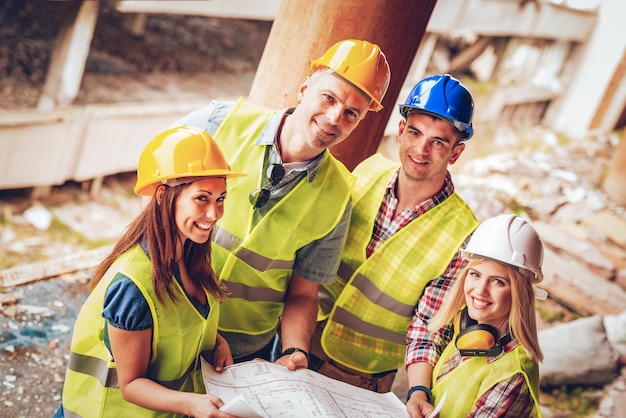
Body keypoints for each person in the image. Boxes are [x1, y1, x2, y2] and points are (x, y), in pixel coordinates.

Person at [170, 39, 391, 370]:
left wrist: (293, 351)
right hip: (168, 314)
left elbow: (303, 294)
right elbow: (153, 202)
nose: (334, 118)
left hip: (240, 351)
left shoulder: (337, 195)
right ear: (304, 89)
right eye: (328, 98)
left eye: (351, 114)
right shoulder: (220, 123)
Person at [56, 126, 245, 418]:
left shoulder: (194, 256)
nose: (215, 213)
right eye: (202, 198)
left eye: (220, 199)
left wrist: (216, 343)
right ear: (162, 196)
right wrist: (191, 404)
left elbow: (184, 325)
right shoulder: (133, 287)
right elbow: (130, 384)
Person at [309, 73, 479, 393]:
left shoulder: (464, 233)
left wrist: (418, 390)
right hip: (297, 342)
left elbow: (429, 327)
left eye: (438, 141)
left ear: (455, 153)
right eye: (415, 132)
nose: (421, 149)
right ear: (401, 131)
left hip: (361, 377)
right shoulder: (366, 172)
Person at [406, 214, 545, 417]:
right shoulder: (465, 325)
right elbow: (427, 337)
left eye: (498, 281)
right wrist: (419, 394)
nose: (480, 290)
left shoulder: (512, 375)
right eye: (475, 274)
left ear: (519, 293)